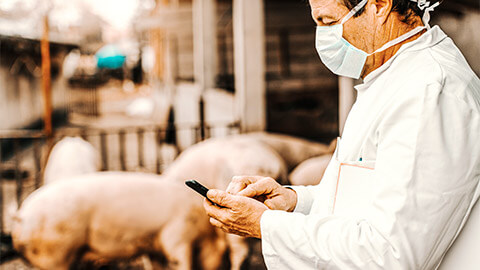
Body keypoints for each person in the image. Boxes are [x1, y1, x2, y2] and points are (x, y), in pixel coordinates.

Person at [203, 0, 480, 268]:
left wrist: (267, 225)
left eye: (329, 22)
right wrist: (295, 203)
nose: (323, 37)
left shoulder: (429, 93)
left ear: (380, 5)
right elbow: (365, 199)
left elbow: (390, 254)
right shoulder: (390, 79)